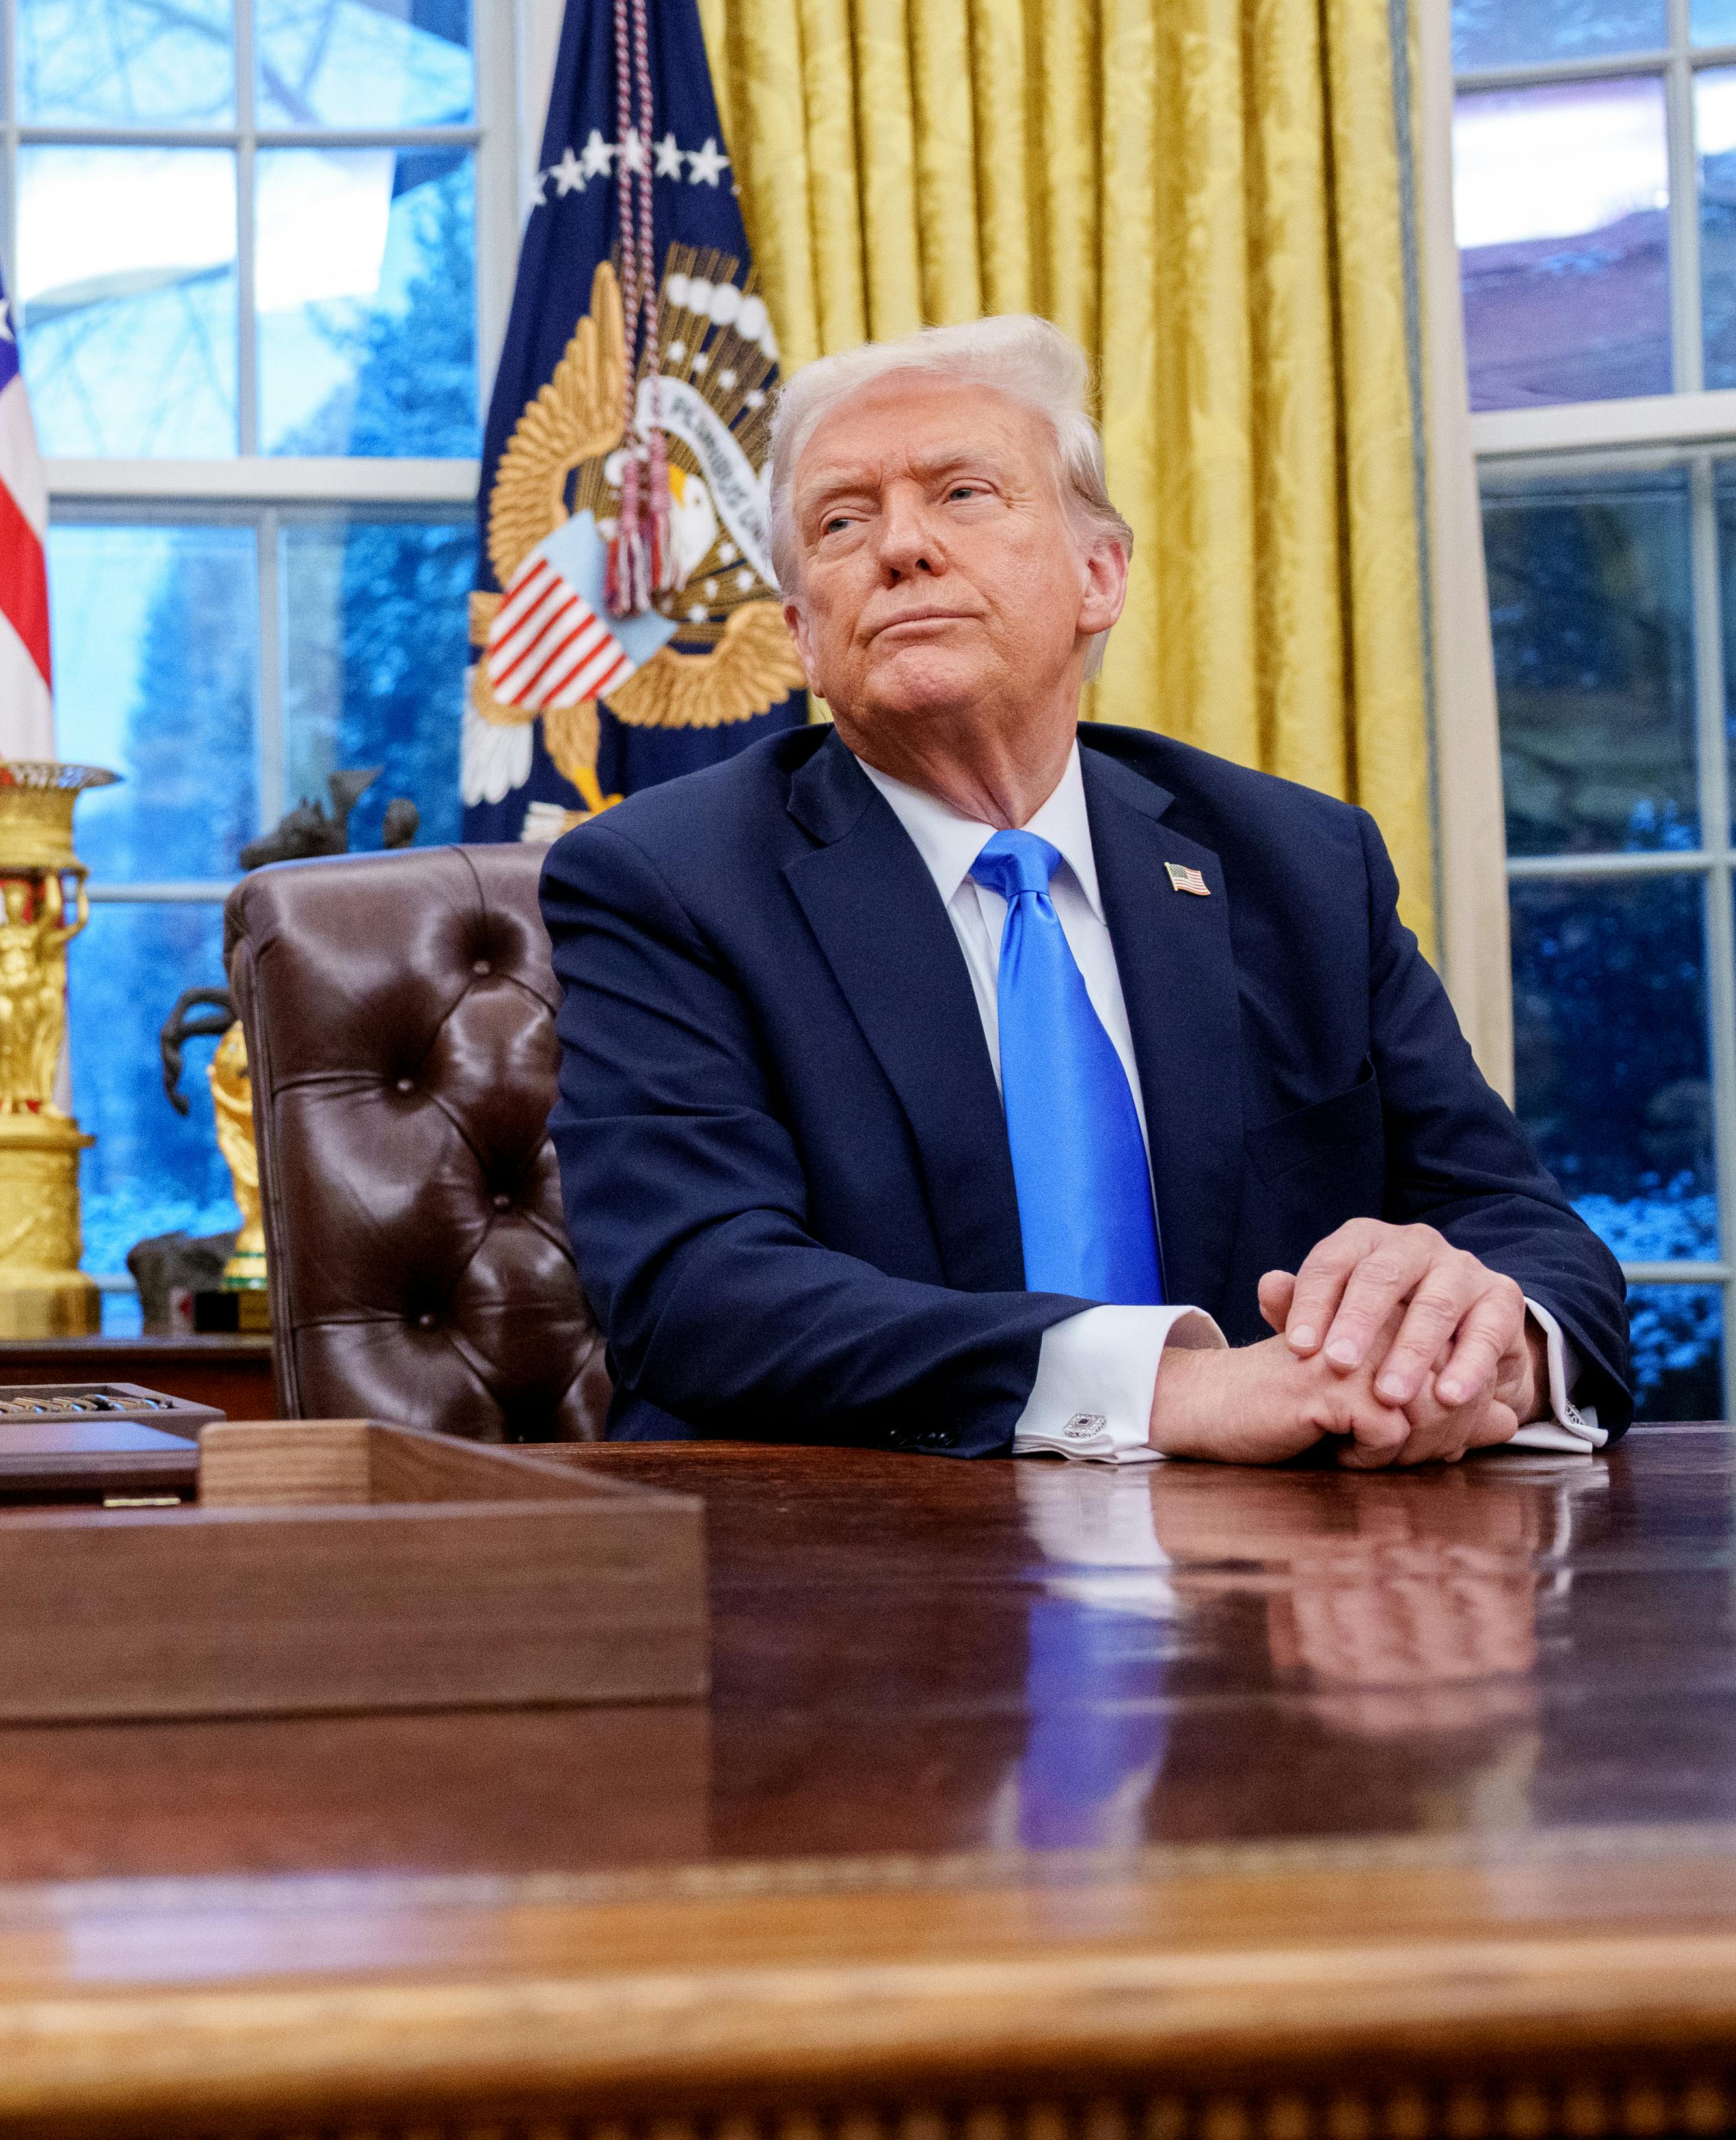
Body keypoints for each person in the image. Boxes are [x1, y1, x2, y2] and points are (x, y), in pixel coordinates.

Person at [543, 316, 1628, 1466]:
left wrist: (1486, 1348)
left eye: (963, 494)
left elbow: (1520, 1226)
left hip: (1286, 1594)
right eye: (842, 520)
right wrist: (1171, 1390)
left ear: (1098, 576)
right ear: (805, 637)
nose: (901, 547)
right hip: (850, 1572)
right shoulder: (667, 880)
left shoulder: (1300, 864)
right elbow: (697, 1293)